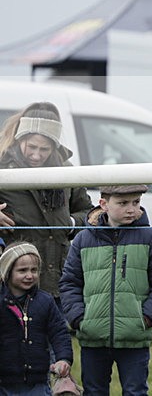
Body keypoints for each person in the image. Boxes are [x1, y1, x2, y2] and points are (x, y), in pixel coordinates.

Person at [59, 185, 152, 396]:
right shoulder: (83, 240)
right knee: (94, 391)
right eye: (123, 203)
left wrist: (147, 317)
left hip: (134, 336)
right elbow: (69, 283)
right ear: (104, 204)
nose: (131, 209)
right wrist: (79, 318)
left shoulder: (151, 238)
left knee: (135, 391)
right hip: (93, 336)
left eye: (136, 202)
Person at [0, 102, 93, 304]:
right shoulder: (2, 165)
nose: (36, 155)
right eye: (31, 147)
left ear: (54, 147)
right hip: (12, 282)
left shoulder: (67, 170)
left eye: (44, 149)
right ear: (19, 139)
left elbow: (89, 213)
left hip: (58, 280)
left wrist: (71, 224)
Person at [0, 241, 73, 395]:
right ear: (7, 271)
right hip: (4, 382)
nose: (29, 275)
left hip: (38, 381)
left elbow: (59, 332)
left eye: (34, 270)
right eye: (22, 270)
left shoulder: (45, 301)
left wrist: (63, 359)